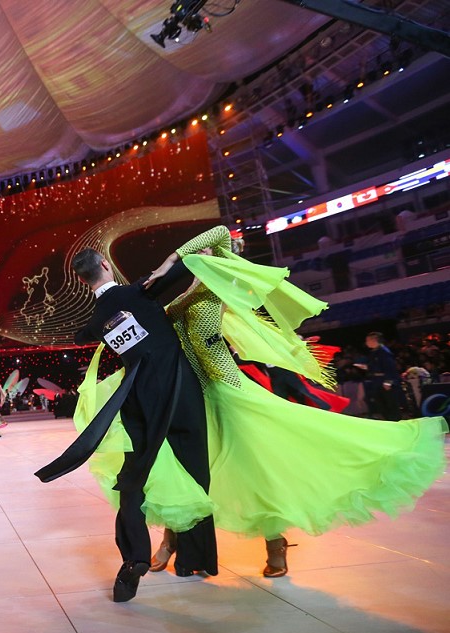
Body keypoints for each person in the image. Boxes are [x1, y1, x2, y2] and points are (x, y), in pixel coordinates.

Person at [86, 226, 446, 580]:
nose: (201, 256)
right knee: (186, 472)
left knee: (256, 468)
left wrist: (171, 259)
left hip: (229, 391)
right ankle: (172, 541)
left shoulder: (216, 291)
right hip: (194, 396)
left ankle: (275, 543)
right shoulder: (179, 299)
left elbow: (220, 232)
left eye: (207, 253)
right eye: (198, 255)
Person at [35, 246, 218, 603]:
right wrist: (193, 257)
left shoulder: (99, 318)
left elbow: (81, 336)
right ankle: (194, 558)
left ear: (83, 281)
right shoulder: (138, 292)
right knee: (195, 467)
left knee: (133, 480)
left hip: (138, 398)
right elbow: (179, 269)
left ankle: (134, 559)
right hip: (178, 388)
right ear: (106, 264)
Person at [359, 331, 404, 421]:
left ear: (374, 340)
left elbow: (390, 367)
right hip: (377, 381)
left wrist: (388, 382)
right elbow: (376, 366)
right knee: (381, 404)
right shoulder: (374, 352)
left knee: (390, 403)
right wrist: (367, 367)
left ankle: (395, 421)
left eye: (367, 340)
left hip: (384, 381)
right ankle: (388, 420)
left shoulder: (384, 352)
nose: (366, 343)